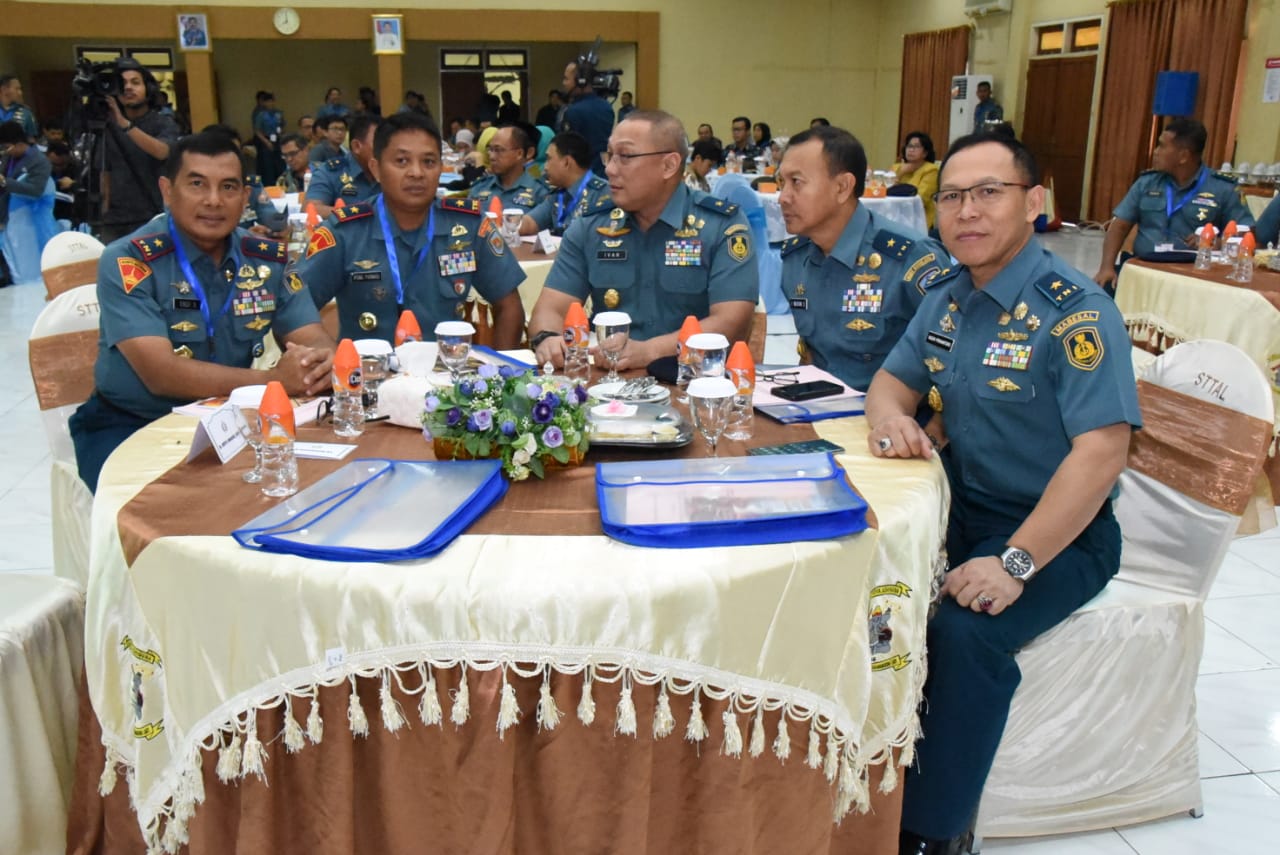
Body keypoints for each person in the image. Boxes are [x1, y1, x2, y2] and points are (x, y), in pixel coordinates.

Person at [864, 133, 1140, 855]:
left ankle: (934, 829)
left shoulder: (1076, 313)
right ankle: (859, 774)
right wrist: (892, 419)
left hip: (1059, 531)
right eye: (953, 196)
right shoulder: (948, 298)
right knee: (862, 579)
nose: (968, 211)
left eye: (990, 192)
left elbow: (1103, 452)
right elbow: (891, 381)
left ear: (1034, 202)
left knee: (965, 631)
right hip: (960, 507)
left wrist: (1015, 563)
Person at [68, 131, 334, 493]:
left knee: (304, 487)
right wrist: (273, 380)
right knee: (168, 509)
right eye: (197, 184)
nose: (213, 200)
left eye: (228, 187)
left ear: (244, 197)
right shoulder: (129, 260)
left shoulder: (265, 259)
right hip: (131, 423)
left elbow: (311, 335)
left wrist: (318, 361)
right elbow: (161, 374)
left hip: (231, 419)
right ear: (167, 190)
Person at [528, 110, 758, 370]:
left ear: (668, 165)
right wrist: (549, 339)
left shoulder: (721, 226)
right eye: (609, 155)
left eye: (625, 156)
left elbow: (731, 322)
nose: (609, 169)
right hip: (606, 381)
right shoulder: (591, 226)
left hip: (694, 380)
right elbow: (551, 308)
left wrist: (649, 352)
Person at [293, 111, 526, 347]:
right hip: (368, 368)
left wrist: (500, 366)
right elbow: (294, 308)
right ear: (376, 169)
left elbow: (509, 305)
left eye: (429, 162)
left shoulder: (468, 225)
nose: (417, 173)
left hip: (445, 367)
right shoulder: (345, 231)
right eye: (402, 161)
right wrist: (331, 358)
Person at [777, 126, 946, 392]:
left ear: (842, 187)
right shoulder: (796, 258)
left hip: (893, 411)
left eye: (796, 182)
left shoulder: (910, 258)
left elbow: (949, 358)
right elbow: (812, 356)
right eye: (781, 183)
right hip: (820, 405)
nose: (783, 197)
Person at [1094, 118, 1251, 291]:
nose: (1155, 152)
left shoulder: (1223, 189)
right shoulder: (1147, 182)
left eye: (1162, 146)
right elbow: (1119, 226)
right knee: (1101, 292)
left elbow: (1247, 234)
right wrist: (1106, 267)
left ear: (1183, 156)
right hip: (1142, 269)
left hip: (1192, 278)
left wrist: (1218, 242)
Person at [100, 58, 181, 243]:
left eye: (135, 82)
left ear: (148, 88)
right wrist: (103, 211)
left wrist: (125, 125)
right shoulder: (107, 127)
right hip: (115, 219)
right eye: (123, 84)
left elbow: (162, 151)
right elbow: (105, 171)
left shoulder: (163, 123)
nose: (128, 88)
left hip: (153, 214)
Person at [0, 120, 59, 284]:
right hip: (7, 216)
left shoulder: (40, 161)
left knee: (27, 264)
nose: (5, 150)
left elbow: (36, 190)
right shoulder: (7, 157)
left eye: (7, 147)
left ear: (19, 143)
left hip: (30, 220)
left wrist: (5, 182)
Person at [520, 131, 610, 236]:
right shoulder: (558, 194)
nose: (545, 167)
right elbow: (529, 223)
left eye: (549, 159)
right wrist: (507, 221)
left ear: (566, 162)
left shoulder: (603, 193)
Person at [308, 111, 381, 218]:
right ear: (356, 146)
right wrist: (360, 213)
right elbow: (311, 209)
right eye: (379, 144)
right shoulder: (330, 172)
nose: (386, 149)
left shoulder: (393, 170)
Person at [467, 123, 548, 212]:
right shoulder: (480, 186)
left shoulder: (540, 191)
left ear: (519, 154)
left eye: (498, 150)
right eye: (490, 150)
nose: (492, 157)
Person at [560, 60, 614, 176]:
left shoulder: (573, 111)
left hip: (580, 176)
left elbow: (567, 150)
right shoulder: (606, 107)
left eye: (566, 79)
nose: (564, 83)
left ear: (581, 82)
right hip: (603, 172)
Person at [893, 130, 940, 230]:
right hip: (894, 215)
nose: (911, 150)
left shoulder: (931, 170)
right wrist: (901, 173)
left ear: (925, 153)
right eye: (909, 146)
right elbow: (883, 191)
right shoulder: (896, 167)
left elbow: (920, 200)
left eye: (916, 147)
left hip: (918, 220)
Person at [253, 91, 284, 186]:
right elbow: (257, 130)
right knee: (268, 164)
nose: (270, 104)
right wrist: (266, 142)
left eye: (271, 101)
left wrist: (280, 133)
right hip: (266, 139)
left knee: (279, 162)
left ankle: (281, 182)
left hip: (277, 139)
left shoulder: (278, 113)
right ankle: (269, 184)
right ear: (264, 103)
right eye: (268, 102)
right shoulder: (261, 115)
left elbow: (281, 125)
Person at [0, 75, 38, 141]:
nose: (20, 93)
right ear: (4, 89)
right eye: (17, 89)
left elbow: (31, 138)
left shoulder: (26, 112)